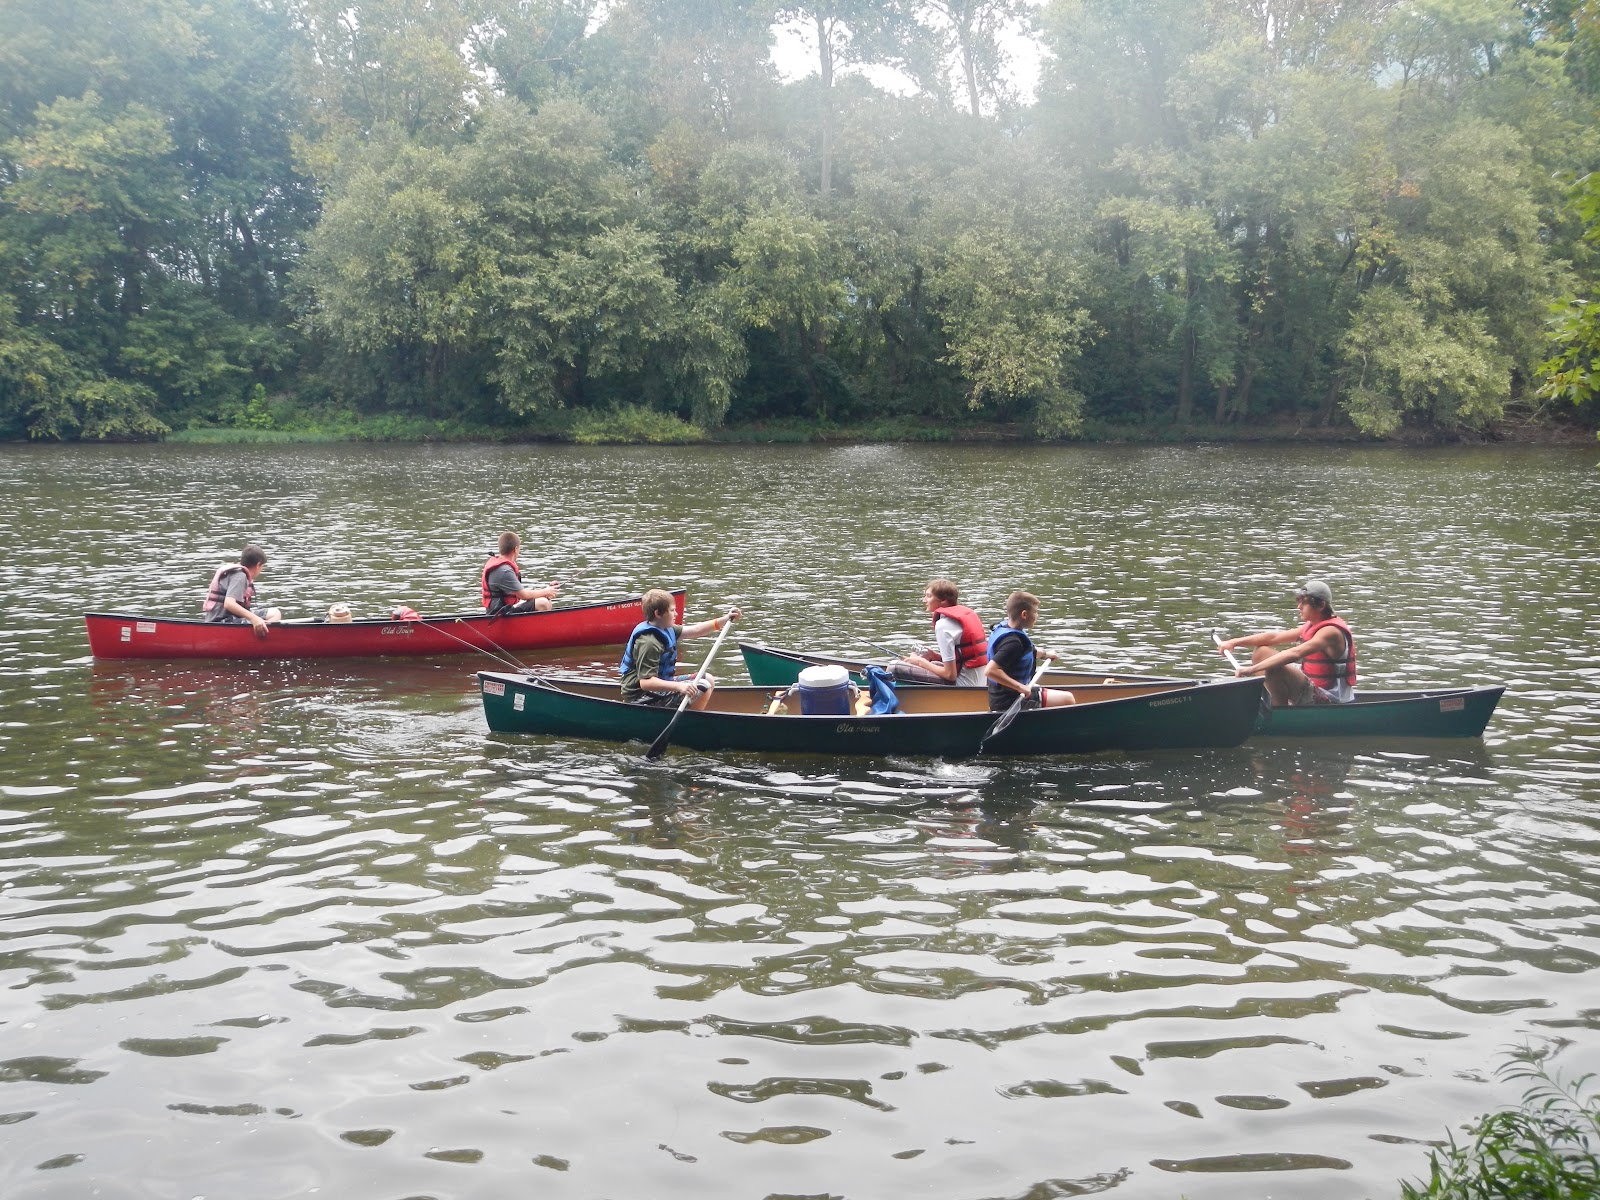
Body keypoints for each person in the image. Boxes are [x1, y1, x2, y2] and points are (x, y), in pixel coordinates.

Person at [1217, 579, 1357, 706]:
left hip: (1330, 699)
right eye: (1298, 601)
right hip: (1313, 683)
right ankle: (1271, 700)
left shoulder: (1330, 632)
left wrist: (1250, 670)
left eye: (1304, 602)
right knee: (1261, 652)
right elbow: (1274, 638)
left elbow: (1295, 653)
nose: (1299, 607)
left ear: (1320, 605)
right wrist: (1234, 642)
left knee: (1275, 667)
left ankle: (1278, 712)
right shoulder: (1312, 625)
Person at [619, 590, 741, 710]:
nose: (676, 614)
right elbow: (646, 683)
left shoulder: (665, 628)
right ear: (658, 613)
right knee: (703, 686)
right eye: (672, 610)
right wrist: (679, 687)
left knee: (706, 678)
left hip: (659, 686)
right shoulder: (649, 643)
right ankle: (691, 722)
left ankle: (689, 713)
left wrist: (725, 619)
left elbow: (695, 630)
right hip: (642, 696)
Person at [984, 591, 1077, 712]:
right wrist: (1021, 687)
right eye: (1035, 612)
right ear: (1024, 614)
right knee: (1068, 699)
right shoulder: (1013, 643)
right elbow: (990, 671)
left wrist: (1045, 655)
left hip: (1004, 695)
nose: (1037, 615)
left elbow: (1026, 651)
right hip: (1011, 700)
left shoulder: (1006, 628)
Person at [893, 579, 989, 685]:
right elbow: (961, 659)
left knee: (895, 666)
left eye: (929, 596)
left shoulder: (943, 625)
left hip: (964, 685)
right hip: (979, 682)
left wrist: (920, 662)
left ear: (943, 600)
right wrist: (936, 656)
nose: (924, 600)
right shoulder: (967, 616)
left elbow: (950, 675)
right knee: (933, 662)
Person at [202, 545, 283, 638]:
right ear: (258, 565)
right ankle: (261, 640)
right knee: (275, 613)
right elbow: (229, 604)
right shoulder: (240, 576)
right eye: (262, 566)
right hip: (224, 622)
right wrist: (254, 618)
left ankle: (260, 631)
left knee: (271, 614)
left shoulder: (236, 573)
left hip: (218, 620)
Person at [481, 531, 560, 616]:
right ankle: (537, 629)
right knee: (543, 603)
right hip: (498, 614)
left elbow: (520, 594)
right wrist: (545, 591)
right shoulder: (504, 571)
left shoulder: (503, 567)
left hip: (505, 609)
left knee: (544, 599)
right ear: (515, 549)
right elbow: (523, 595)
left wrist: (547, 591)